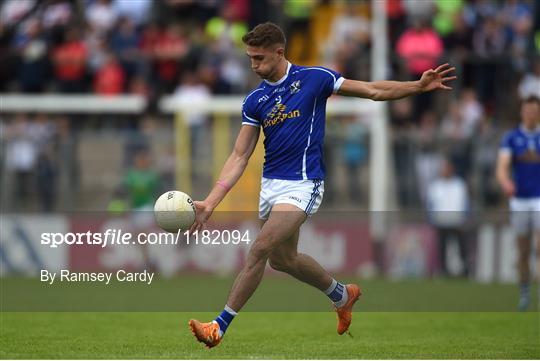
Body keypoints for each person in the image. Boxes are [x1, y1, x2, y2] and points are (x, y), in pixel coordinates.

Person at [188, 22, 456, 348]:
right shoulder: (255, 100)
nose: (253, 65)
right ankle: (342, 295)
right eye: (250, 59)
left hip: (303, 183)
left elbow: (372, 90)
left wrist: (416, 86)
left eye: (259, 58)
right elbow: (240, 154)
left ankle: (218, 326)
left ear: (279, 52)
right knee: (282, 260)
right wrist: (211, 201)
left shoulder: (315, 78)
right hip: (272, 185)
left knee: (259, 249)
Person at [496, 96, 540, 311]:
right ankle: (524, 293)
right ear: (522, 112)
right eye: (527, 111)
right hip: (520, 200)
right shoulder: (512, 138)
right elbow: (502, 165)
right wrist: (505, 182)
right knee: (523, 251)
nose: (530, 114)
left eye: (534, 111)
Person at [426, 157, 469, 277]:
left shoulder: (459, 184)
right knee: (442, 247)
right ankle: (444, 270)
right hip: (441, 221)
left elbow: (465, 203)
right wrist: (431, 219)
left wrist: (465, 217)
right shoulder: (435, 186)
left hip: (457, 220)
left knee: (461, 246)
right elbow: (430, 204)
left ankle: (464, 269)